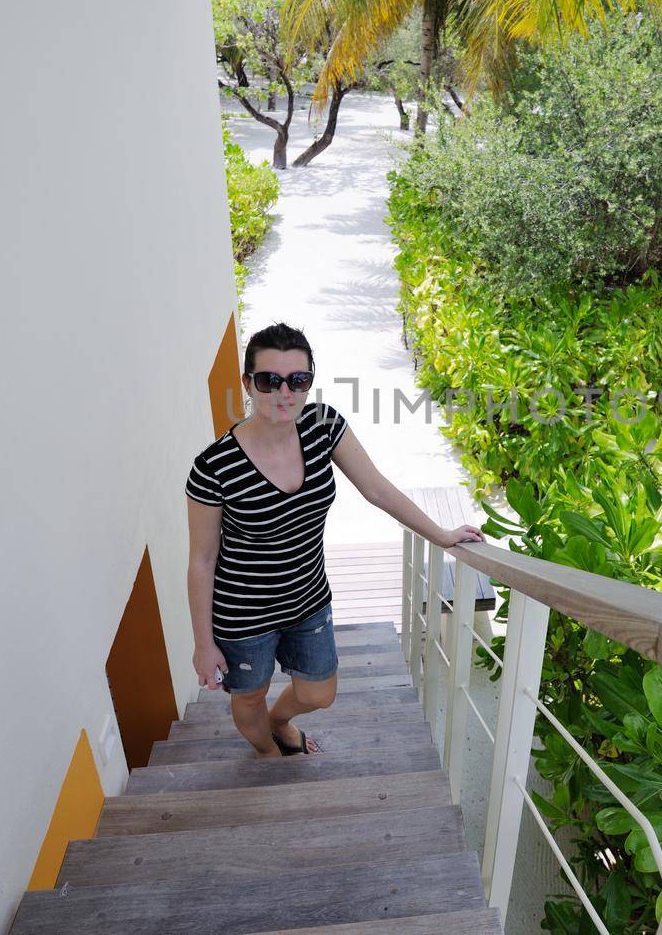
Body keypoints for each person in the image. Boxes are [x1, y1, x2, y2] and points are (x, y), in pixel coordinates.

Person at [184, 322, 485, 757]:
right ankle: (270, 754)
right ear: (248, 383)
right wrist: (203, 643)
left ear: (309, 383)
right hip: (242, 613)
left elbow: (377, 489)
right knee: (249, 694)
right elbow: (202, 560)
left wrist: (441, 535)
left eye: (298, 380)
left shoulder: (323, 426)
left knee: (318, 693)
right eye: (269, 380)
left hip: (308, 598)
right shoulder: (214, 468)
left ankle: (279, 721)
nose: (284, 392)